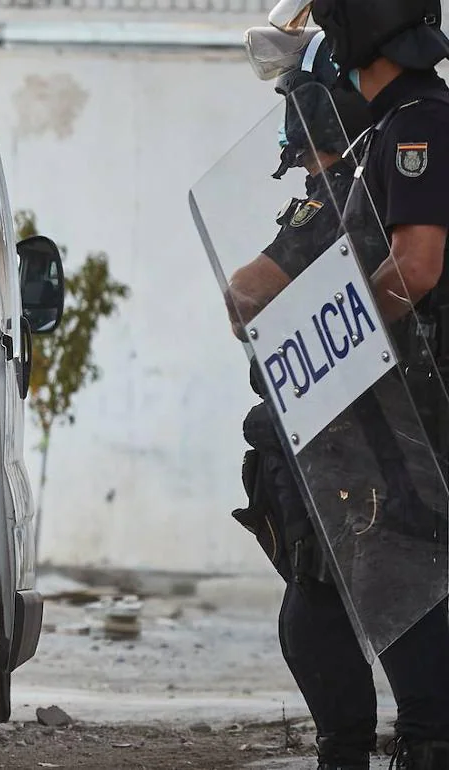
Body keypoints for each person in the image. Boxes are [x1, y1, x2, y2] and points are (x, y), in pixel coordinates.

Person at [229, 2, 449, 768]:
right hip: (377, 421)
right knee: (326, 592)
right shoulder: (386, 139)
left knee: (406, 593)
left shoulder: (420, 124)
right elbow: (248, 295)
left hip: (410, 421)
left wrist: (346, 339)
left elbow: (416, 268)